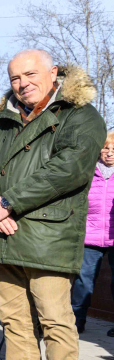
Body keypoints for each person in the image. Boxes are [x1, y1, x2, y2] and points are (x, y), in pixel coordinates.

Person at [0, 50, 105, 360]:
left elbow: (67, 170)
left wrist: (7, 202)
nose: (22, 82)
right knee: (14, 321)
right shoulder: (4, 122)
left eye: (30, 73)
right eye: (14, 78)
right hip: (3, 234)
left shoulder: (80, 116)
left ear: (53, 73)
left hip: (48, 235)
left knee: (55, 322)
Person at [71, 132, 114, 333]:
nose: (109, 153)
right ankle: (76, 321)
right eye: (106, 148)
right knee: (83, 282)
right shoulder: (88, 173)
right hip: (89, 237)